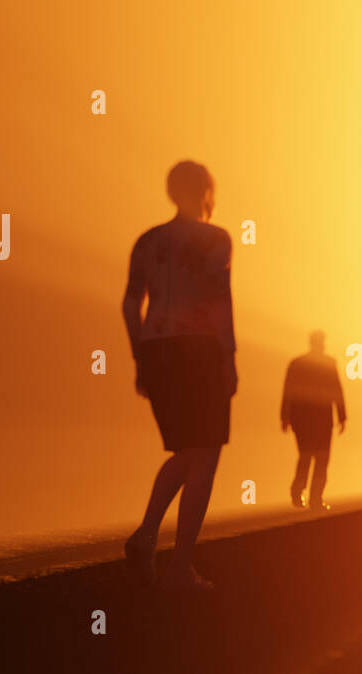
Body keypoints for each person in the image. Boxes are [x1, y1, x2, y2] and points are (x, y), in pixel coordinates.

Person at [121, 160, 235, 592]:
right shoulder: (216, 239)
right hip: (199, 351)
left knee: (189, 451)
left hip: (157, 350)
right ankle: (179, 567)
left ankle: (147, 536)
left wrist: (140, 360)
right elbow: (219, 301)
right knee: (205, 455)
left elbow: (131, 305)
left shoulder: (147, 241)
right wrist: (229, 359)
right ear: (206, 192)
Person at [281, 330, 346, 511]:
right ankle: (311, 497)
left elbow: (336, 389)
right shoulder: (323, 363)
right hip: (315, 418)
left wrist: (285, 416)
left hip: (309, 419)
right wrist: (342, 416)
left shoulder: (297, 364)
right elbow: (336, 390)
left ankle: (307, 495)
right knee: (316, 457)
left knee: (311, 457)